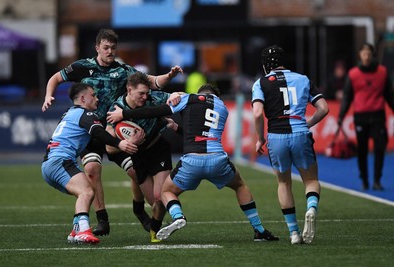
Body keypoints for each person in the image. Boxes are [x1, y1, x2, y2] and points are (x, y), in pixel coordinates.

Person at [41, 28, 183, 236]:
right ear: (97, 47)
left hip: (116, 130)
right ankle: (102, 219)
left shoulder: (123, 70)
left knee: (136, 171)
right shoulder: (83, 67)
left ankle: (138, 207)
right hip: (90, 133)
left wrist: (169, 76)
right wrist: (48, 96)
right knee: (91, 169)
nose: (110, 51)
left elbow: (150, 81)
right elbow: (55, 77)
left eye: (113, 48)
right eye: (106, 47)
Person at [107, 83, 280, 243]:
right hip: (217, 159)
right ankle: (259, 229)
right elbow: (201, 132)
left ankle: (178, 216)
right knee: (240, 185)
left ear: (199, 93)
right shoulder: (223, 107)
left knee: (166, 192)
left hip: (192, 161)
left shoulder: (189, 98)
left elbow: (155, 111)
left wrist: (124, 114)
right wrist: (177, 128)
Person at [41, 83, 138, 244]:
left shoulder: (69, 113)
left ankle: (76, 230)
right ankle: (83, 231)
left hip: (51, 164)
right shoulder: (84, 114)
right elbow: (99, 133)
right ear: (82, 98)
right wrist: (119, 143)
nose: (97, 98)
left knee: (86, 192)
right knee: (86, 192)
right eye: (93, 95)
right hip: (60, 162)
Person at [252, 45, 329, 244]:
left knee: (284, 183)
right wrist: (308, 123)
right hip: (300, 134)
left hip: (276, 136)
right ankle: (311, 208)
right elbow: (323, 108)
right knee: (311, 181)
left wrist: (260, 138)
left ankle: (294, 233)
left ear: (265, 65)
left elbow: (258, 113)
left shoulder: (260, 83)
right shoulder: (303, 79)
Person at [106, 72, 183, 242]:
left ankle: (155, 231)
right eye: (141, 93)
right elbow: (109, 149)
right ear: (129, 90)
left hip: (157, 149)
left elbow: (182, 97)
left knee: (159, 197)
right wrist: (124, 144)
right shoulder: (116, 109)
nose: (145, 97)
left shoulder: (153, 98)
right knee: (155, 203)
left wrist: (177, 94)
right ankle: (148, 220)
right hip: (138, 156)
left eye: (147, 92)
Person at [338, 43, 394, 191]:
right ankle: (364, 179)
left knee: (380, 149)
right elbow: (347, 97)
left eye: (369, 53)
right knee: (362, 150)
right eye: (364, 53)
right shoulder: (353, 74)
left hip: (378, 116)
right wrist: (341, 116)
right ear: (360, 55)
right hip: (361, 116)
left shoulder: (382, 72)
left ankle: (377, 180)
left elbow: (389, 95)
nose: (366, 56)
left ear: (372, 55)